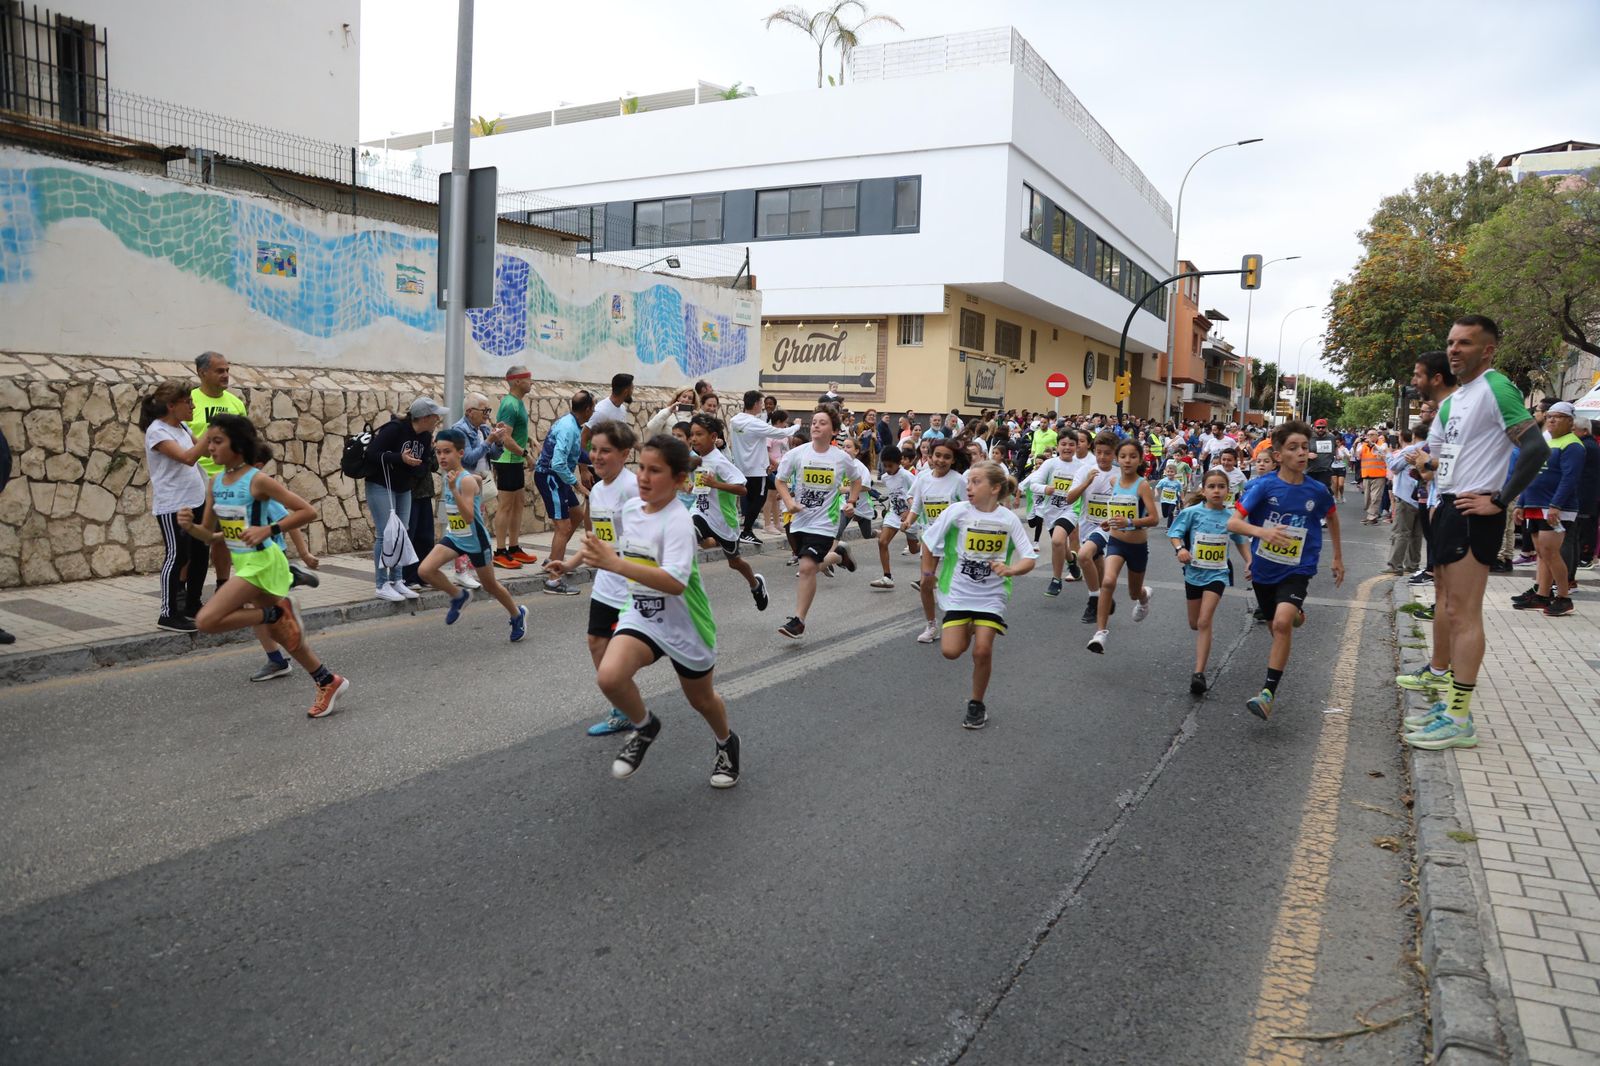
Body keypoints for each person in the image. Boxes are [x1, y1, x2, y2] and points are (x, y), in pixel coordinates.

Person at [1401, 316, 1546, 751]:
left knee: (1464, 614)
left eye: (1465, 343)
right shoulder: (1456, 400)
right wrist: (1427, 470)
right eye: (1450, 342)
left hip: (1473, 512)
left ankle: (1460, 719)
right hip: (1448, 507)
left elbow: (1535, 447)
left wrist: (1499, 500)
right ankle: (1449, 706)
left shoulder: (1496, 387)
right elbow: (1444, 458)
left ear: (1488, 350)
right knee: (1448, 609)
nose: (1454, 350)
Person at [575, 433, 739, 789]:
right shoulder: (634, 509)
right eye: (642, 469)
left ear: (679, 480)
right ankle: (644, 725)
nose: (645, 478)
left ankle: (726, 742)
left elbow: (675, 583)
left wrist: (615, 566)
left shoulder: (678, 522)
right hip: (643, 614)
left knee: (702, 700)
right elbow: (616, 548)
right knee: (609, 677)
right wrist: (582, 557)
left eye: (656, 471)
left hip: (686, 624)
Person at [176, 414, 350, 718]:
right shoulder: (215, 482)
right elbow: (211, 535)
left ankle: (275, 611)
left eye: (217, 441)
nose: (210, 448)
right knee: (285, 636)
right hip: (244, 562)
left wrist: (268, 530)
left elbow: (306, 511)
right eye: (208, 441)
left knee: (206, 621)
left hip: (262, 563)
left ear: (238, 445)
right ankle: (327, 680)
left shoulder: (257, 480)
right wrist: (191, 527)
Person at [1228, 420, 1343, 721]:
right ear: (1278, 455)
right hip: (1265, 568)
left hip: (1299, 566)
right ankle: (1296, 613)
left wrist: (1337, 558)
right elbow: (1233, 523)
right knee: (1276, 623)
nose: (1301, 453)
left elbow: (1332, 519)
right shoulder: (1264, 486)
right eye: (1293, 448)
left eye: (1305, 447)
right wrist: (1262, 533)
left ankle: (1267, 694)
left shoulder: (1317, 491)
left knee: (1280, 624)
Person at [922, 461, 1037, 729]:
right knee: (951, 651)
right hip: (960, 593)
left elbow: (1029, 557)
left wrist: (1010, 569)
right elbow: (929, 541)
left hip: (991, 595)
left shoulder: (1007, 519)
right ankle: (971, 628)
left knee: (982, 651)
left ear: (995, 488)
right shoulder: (957, 512)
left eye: (976, 482)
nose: (969, 487)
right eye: (968, 482)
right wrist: (928, 575)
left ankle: (976, 704)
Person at [545, 421, 640, 737]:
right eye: (594, 450)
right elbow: (595, 538)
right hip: (606, 583)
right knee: (597, 644)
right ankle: (623, 707)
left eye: (605, 451)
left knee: (625, 653)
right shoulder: (597, 490)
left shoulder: (633, 488)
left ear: (624, 454)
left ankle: (629, 704)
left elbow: (648, 536)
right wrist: (568, 565)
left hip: (632, 584)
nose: (596, 457)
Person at [415, 429, 528, 639]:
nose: (441, 457)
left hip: (476, 540)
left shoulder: (462, 481)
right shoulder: (452, 475)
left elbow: (467, 517)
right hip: (456, 537)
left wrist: (456, 489)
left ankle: (517, 614)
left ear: (460, 452)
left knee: (490, 585)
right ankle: (458, 596)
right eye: (438, 452)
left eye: (447, 452)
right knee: (425, 570)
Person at [773, 407, 861, 640]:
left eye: (822, 423)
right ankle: (840, 554)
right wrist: (790, 501)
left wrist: (852, 501)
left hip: (825, 522)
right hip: (800, 520)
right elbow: (779, 480)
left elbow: (857, 479)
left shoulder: (841, 458)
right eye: (813, 422)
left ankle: (798, 621)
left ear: (832, 430)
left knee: (806, 568)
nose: (815, 426)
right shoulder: (797, 454)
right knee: (811, 565)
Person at [141, 381, 210, 631]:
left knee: (200, 554)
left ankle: (192, 604)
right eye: (188, 402)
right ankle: (168, 613)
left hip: (196, 500)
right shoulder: (157, 432)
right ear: (171, 405)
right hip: (173, 505)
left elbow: (204, 452)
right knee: (177, 555)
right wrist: (210, 434)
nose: (192, 406)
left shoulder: (181, 426)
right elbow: (188, 458)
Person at [362, 397, 445, 601]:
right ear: (425, 417)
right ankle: (381, 584)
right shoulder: (396, 429)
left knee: (402, 532)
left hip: (404, 487)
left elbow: (426, 463)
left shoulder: (425, 436)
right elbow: (372, 454)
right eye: (435, 416)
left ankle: (398, 581)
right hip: (381, 485)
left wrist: (416, 465)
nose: (438, 420)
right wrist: (400, 458)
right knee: (385, 534)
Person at [686, 413, 770, 612]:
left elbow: (743, 489)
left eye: (699, 434)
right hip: (701, 512)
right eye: (692, 434)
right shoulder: (697, 460)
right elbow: (698, 484)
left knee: (735, 563)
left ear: (713, 436)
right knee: (687, 532)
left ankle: (755, 585)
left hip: (724, 521)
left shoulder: (719, 461)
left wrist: (716, 484)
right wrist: (690, 486)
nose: (694, 439)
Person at [1170, 468, 1244, 695]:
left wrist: (1250, 562)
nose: (1216, 491)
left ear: (1228, 491)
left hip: (1218, 574)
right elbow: (1175, 533)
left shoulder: (1232, 517)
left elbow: (1241, 540)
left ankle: (1199, 673)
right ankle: (1204, 631)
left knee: (1204, 621)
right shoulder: (1192, 512)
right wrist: (1180, 548)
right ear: (1203, 489)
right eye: (1211, 486)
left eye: (1221, 487)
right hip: (1194, 573)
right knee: (1195, 623)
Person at [1084, 438, 1159, 654]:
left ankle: (1144, 597)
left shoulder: (1142, 485)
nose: (1127, 461)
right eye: (1123, 456)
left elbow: (1154, 519)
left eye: (1132, 456)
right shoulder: (1113, 482)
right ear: (1118, 458)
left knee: (1133, 593)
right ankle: (1100, 633)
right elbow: (1116, 511)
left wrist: (1130, 522)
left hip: (1137, 546)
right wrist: (1110, 522)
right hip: (1115, 542)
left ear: (1140, 459)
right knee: (1107, 582)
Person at [1513, 400, 1581, 617]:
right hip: (1534, 503)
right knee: (1541, 553)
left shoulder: (1573, 445)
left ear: (1570, 421)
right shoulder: (1546, 442)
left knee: (1551, 552)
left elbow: (1570, 478)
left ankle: (1563, 596)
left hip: (1553, 506)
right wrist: (1521, 503)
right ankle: (1542, 594)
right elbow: (1530, 473)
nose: (1551, 419)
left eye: (1558, 416)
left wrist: (1556, 505)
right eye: (1550, 415)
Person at [187, 351, 247, 588]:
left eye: (227, 370)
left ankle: (224, 585)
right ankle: (185, 594)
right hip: (196, 483)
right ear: (202, 373)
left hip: (229, 483)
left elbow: (246, 440)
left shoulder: (235, 404)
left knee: (227, 539)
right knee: (193, 541)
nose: (226, 375)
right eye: (219, 371)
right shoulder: (189, 401)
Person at [906, 439, 969, 643]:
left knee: (953, 585)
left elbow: (968, 509)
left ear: (953, 460)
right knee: (926, 582)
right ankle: (931, 625)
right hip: (930, 538)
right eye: (938, 455)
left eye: (947, 457)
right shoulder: (923, 479)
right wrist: (908, 521)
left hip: (953, 540)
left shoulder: (959, 480)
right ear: (931, 456)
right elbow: (916, 506)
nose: (941, 460)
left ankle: (959, 621)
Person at [534, 390, 594, 596]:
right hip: (551, 477)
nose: (593, 411)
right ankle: (553, 581)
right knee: (563, 526)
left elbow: (576, 453)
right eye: (592, 407)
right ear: (587, 409)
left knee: (576, 515)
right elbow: (558, 463)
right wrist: (577, 485)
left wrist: (599, 458)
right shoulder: (569, 428)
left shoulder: (571, 423)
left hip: (558, 478)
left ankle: (553, 560)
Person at [727, 389, 803, 544]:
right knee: (759, 498)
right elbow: (779, 433)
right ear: (756, 404)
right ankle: (747, 531)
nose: (762, 406)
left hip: (742, 467)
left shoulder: (734, 421)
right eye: (761, 403)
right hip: (756, 469)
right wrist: (796, 426)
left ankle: (764, 523)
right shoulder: (755, 423)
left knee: (765, 490)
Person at [447, 392, 505, 589]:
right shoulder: (460, 430)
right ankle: (461, 571)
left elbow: (494, 455)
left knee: (476, 529)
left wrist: (498, 441)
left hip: (479, 484)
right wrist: (488, 441)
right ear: (470, 412)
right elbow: (468, 459)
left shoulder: (483, 428)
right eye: (485, 411)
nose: (488, 415)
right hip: (464, 484)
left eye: (489, 410)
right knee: (463, 529)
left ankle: (472, 569)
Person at [1063, 431, 1120, 625]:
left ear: (1115, 454)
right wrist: (1087, 481)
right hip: (1087, 524)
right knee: (1095, 560)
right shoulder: (1084, 471)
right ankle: (1105, 596)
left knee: (1084, 555)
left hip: (1108, 527)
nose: (1103, 457)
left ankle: (1093, 600)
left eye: (1107, 453)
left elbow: (1131, 506)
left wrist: (1118, 489)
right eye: (1099, 452)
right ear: (1094, 451)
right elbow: (1069, 498)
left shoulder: (1119, 475)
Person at [1021, 435, 1082, 597]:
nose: (1067, 448)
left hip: (1071, 509)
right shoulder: (1050, 464)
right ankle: (1072, 564)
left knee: (1057, 540)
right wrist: (1045, 489)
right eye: (1063, 444)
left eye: (1071, 444)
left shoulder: (1081, 467)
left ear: (1076, 447)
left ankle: (1056, 579)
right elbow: (1034, 484)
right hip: (1050, 511)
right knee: (1060, 544)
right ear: (1057, 446)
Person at [491, 365, 538, 570]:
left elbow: (514, 430)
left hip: (514, 461)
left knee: (518, 504)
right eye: (528, 378)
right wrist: (526, 455)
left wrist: (530, 438)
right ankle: (500, 551)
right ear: (517, 381)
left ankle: (514, 547)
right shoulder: (510, 404)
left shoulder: (517, 403)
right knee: (506, 506)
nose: (531, 382)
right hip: (507, 460)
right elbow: (504, 437)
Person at [869, 445, 917, 589]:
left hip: (911, 516)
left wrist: (910, 513)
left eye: (890, 466)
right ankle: (887, 577)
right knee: (882, 542)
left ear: (899, 462)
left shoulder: (907, 476)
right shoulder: (885, 478)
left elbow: (918, 494)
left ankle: (929, 547)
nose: (887, 469)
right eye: (885, 466)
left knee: (914, 549)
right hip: (894, 514)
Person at [1384, 427, 1426, 576]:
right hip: (1423, 497)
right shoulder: (1430, 448)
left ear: (1414, 436)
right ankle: (1412, 564)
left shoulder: (1411, 449)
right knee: (1416, 534)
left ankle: (1395, 564)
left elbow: (1394, 466)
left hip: (1406, 495)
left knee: (1401, 532)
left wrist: (1388, 454)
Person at [582, 372, 633, 449]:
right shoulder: (601, 411)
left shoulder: (622, 409)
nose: (632, 392)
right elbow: (584, 438)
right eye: (632, 388)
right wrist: (592, 459)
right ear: (626, 392)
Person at [1357, 429, 1389, 523]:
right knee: (1367, 498)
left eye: (1372, 435)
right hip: (1366, 474)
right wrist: (1356, 444)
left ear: (1376, 435)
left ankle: (1372, 517)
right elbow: (1357, 456)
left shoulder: (1382, 444)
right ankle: (1371, 515)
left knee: (1375, 497)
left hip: (1379, 475)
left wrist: (1373, 444)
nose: (1369, 436)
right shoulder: (1363, 445)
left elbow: (1383, 451)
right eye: (1368, 435)